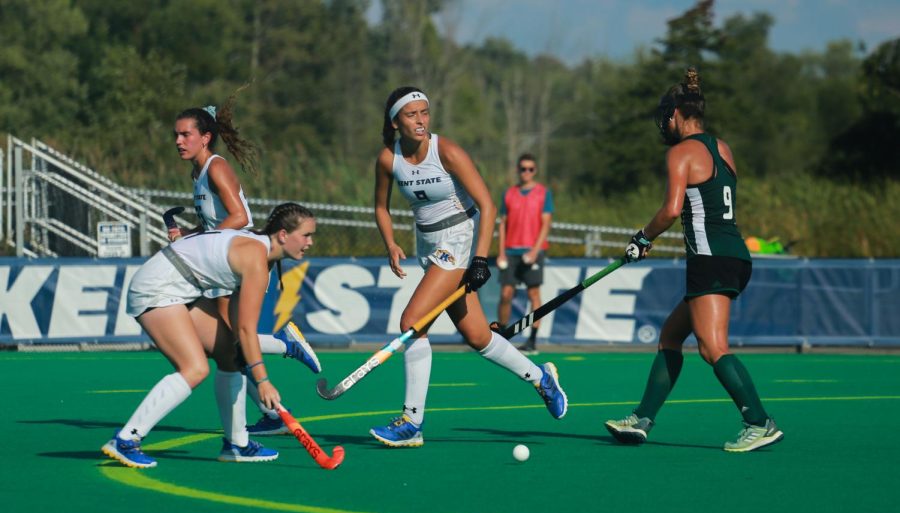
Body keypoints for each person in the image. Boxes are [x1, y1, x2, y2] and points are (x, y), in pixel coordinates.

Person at [368, 86, 568, 448]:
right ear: (396, 121)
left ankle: (412, 422)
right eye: (412, 115)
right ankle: (541, 378)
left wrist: (479, 258)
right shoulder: (388, 159)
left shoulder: (446, 151)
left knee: (412, 323)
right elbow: (381, 207)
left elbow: (488, 205)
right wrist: (391, 243)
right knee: (478, 336)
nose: (420, 120)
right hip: (427, 245)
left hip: (458, 238)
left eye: (424, 112)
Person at [604, 67, 783, 453]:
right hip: (734, 255)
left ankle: (759, 422)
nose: (663, 125)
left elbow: (670, 210)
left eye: (665, 118)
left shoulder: (680, 154)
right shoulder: (722, 147)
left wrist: (641, 238)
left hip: (709, 258)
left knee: (712, 346)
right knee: (671, 335)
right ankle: (642, 419)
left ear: (676, 115)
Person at [101, 203, 317, 468]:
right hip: (157, 287)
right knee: (194, 368)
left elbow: (241, 329)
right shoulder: (256, 259)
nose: (310, 242)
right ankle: (126, 439)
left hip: (183, 288)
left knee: (230, 356)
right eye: (306, 235)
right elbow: (248, 329)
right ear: (283, 235)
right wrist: (263, 381)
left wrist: (251, 362)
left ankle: (237, 444)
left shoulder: (262, 258)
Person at [172, 96, 321, 437]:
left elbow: (239, 217)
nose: (179, 141)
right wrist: (190, 234)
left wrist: (200, 243)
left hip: (237, 261)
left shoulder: (217, 167)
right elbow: (215, 222)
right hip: (223, 259)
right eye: (176, 136)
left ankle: (285, 345)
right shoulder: (198, 172)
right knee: (227, 347)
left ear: (205, 137)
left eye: (185, 134)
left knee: (229, 344)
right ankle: (270, 412)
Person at [496, 153, 554, 353]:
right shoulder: (509, 193)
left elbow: (546, 224)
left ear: (535, 171)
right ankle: (502, 335)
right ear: (518, 170)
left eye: (530, 169)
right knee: (506, 293)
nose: (526, 172)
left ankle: (532, 339)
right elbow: (502, 224)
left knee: (534, 293)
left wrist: (535, 251)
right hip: (511, 251)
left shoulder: (543, 193)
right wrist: (501, 252)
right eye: (523, 169)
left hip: (533, 251)